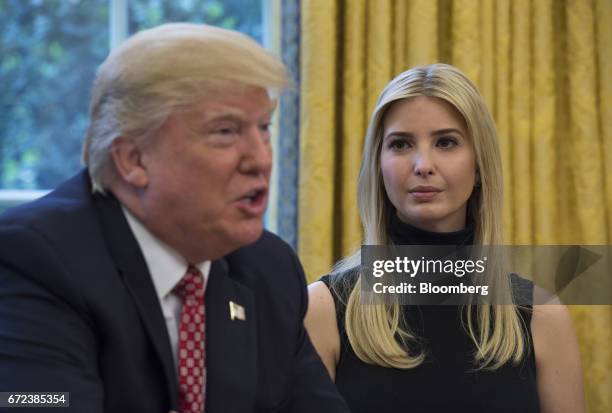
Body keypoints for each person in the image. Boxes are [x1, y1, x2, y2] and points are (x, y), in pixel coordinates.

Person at [0, 23, 349, 413]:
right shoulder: (37, 259)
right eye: (225, 131)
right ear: (134, 159)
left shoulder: (268, 268)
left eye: (263, 128)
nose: (261, 159)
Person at [305, 64, 585, 412]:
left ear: (480, 165)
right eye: (401, 144)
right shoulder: (322, 310)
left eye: (446, 142)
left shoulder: (542, 316)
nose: (423, 164)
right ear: (378, 165)